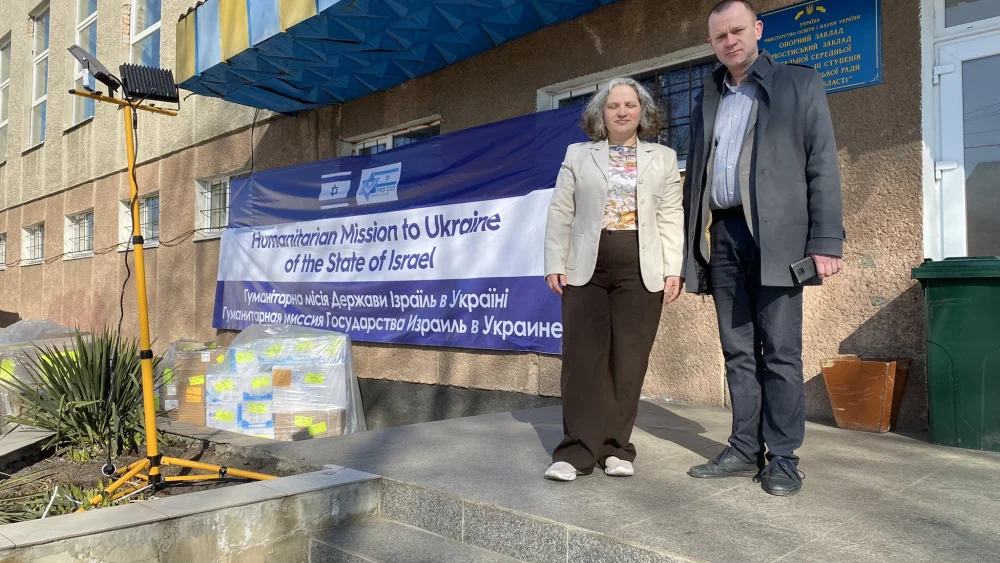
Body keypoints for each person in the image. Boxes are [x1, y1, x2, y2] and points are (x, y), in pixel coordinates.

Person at [682, 0, 845, 496]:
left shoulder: (799, 83)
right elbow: (697, 176)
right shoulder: (708, 93)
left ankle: (784, 458)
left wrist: (825, 240)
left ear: (756, 30)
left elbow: (822, 164)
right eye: (718, 37)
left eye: (736, 31)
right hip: (725, 234)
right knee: (737, 352)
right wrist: (691, 249)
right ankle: (743, 448)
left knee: (780, 352)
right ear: (711, 44)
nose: (729, 42)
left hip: (779, 239)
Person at [543, 77, 684, 482]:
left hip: (642, 266)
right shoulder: (578, 154)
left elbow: (671, 216)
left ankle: (615, 448)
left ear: (643, 112)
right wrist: (555, 260)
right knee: (582, 358)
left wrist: (674, 268)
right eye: (613, 105)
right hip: (586, 266)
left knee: (629, 358)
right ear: (600, 113)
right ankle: (575, 452)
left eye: (630, 104)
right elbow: (561, 211)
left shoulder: (664, 158)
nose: (622, 111)